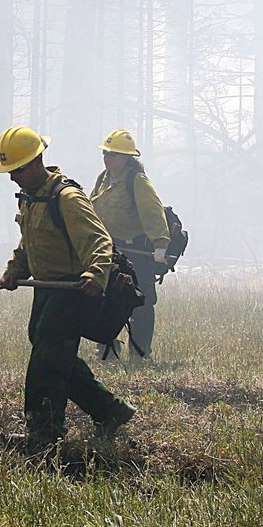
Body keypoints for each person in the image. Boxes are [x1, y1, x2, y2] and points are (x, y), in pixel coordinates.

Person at [0, 126, 136, 453]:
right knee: (54, 354)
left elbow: (99, 241)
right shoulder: (33, 198)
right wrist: (14, 271)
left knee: (45, 361)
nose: (13, 178)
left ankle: (44, 433)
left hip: (72, 291)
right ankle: (109, 410)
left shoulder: (67, 197)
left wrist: (96, 274)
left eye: (16, 170)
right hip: (47, 289)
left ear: (35, 162)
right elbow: (30, 244)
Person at [90, 129, 170, 364]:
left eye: (113, 154)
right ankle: (107, 351)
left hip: (136, 252)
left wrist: (160, 244)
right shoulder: (102, 179)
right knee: (105, 300)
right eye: (105, 153)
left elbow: (153, 212)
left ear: (127, 158)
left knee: (140, 303)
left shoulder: (137, 180)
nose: (107, 158)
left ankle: (140, 353)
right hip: (110, 250)